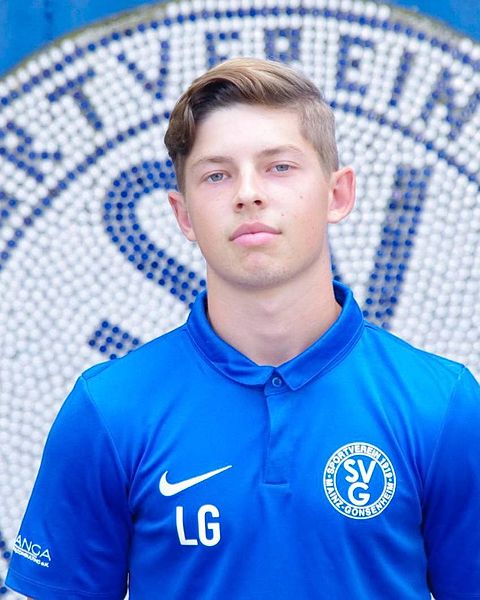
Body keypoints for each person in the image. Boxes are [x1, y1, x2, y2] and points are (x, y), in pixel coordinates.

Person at [6, 57, 480, 599]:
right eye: (217, 174)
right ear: (183, 215)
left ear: (338, 194)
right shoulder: (109, 408)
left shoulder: (443, 405)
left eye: (280, 167)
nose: (248, 194)